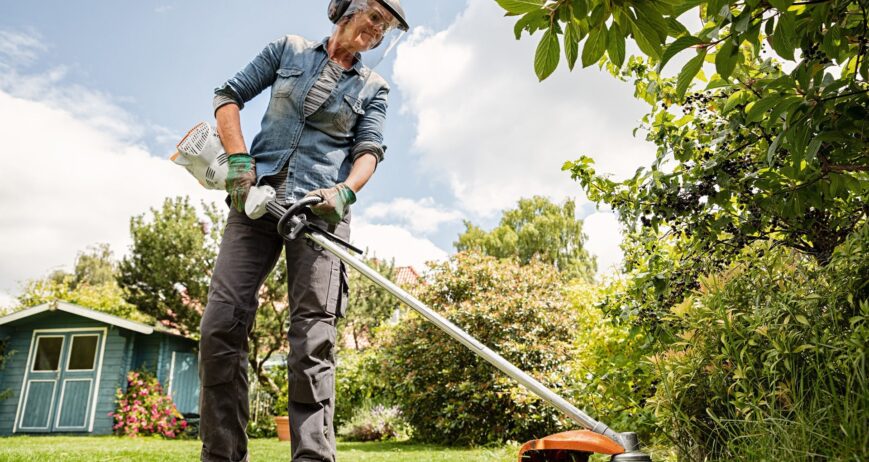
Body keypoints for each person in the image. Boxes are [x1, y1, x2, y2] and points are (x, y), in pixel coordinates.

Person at [198, 1, 409, 461]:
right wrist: (238, 161)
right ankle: (222, 454)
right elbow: (228, 96)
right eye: (374, 17)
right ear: (345, 9)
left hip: (320, 212)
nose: (378, 30)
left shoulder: (374, 87)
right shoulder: (287, 50)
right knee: (220, 326)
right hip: (257, 201)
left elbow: (369, 148)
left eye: (386, 26)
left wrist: (346, 192)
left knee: (313, 339)